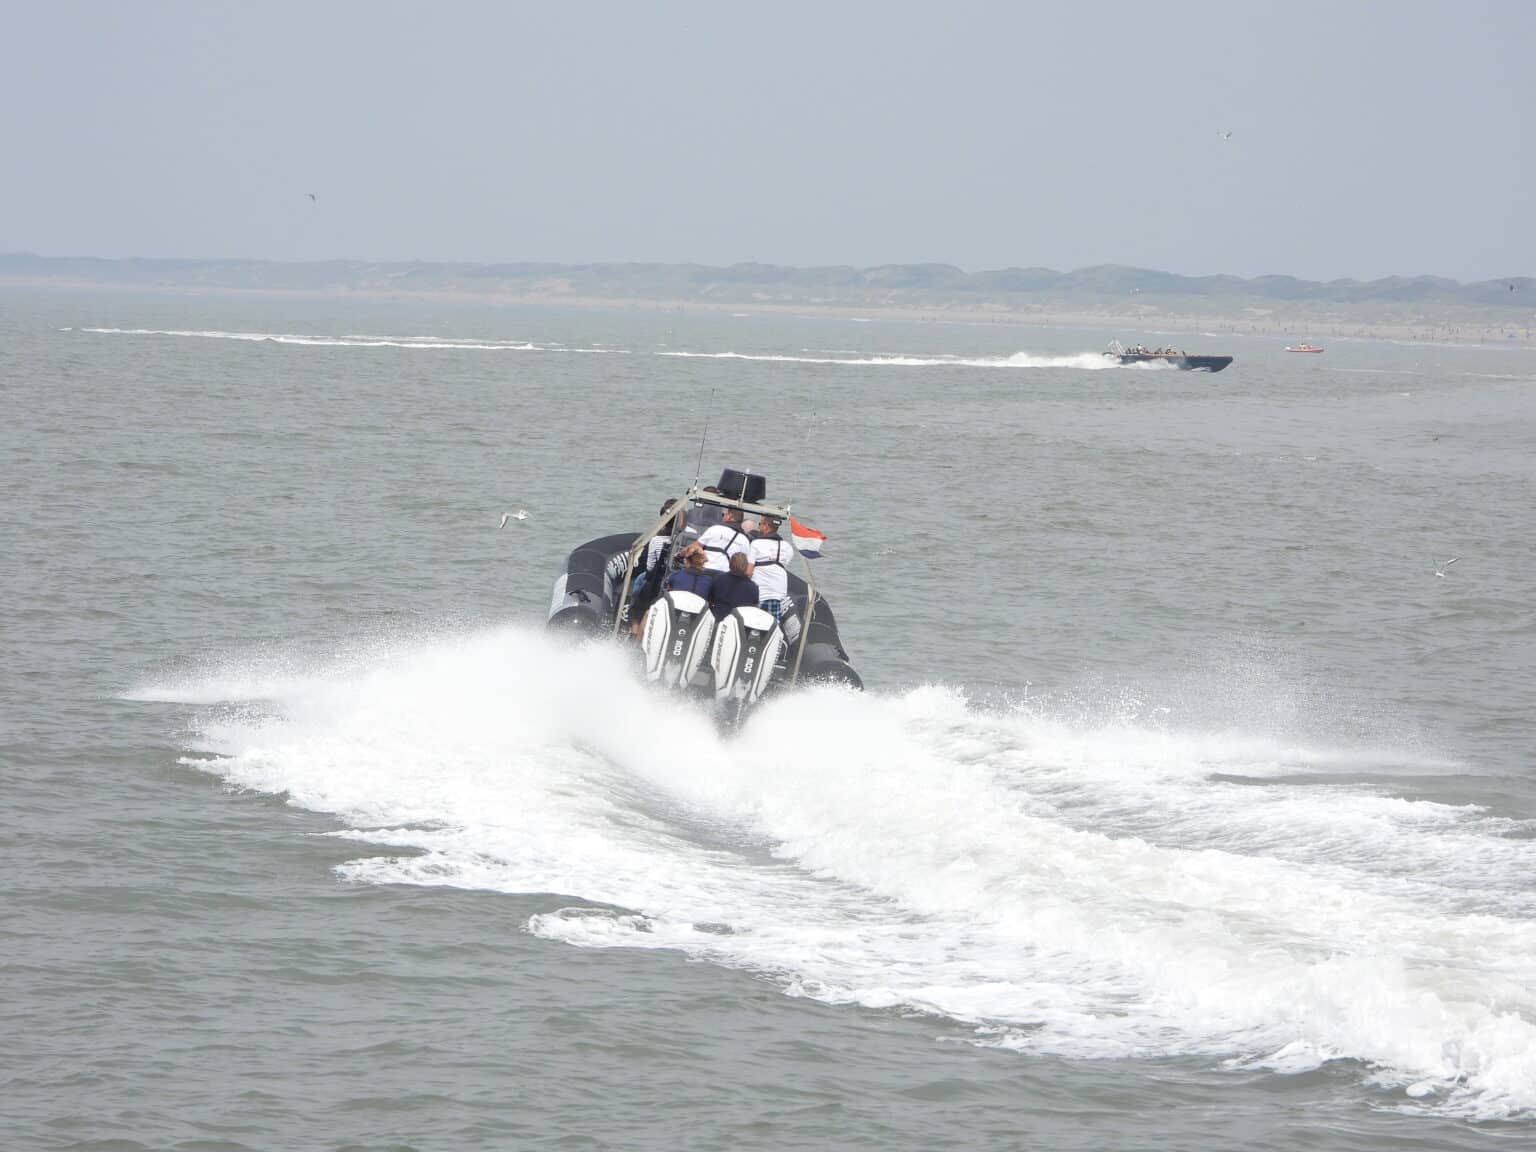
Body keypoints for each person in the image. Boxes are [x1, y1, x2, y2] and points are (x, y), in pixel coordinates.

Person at [749, 515, 793, 620]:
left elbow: (748, 572)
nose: (758, 527)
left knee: (754, 622)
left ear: (766, 526)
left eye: (760, 524)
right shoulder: (788, 547)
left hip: (761, 593)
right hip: (779, 594)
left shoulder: (756, 544)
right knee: (772, 624)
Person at [694, 506, 751, 573]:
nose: (722, 517)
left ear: (729, 516)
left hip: (705, 571)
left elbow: (695, 547)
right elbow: (746, 566)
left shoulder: (715, 529)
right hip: (726, 575)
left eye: (723, 514)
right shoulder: (745, 540)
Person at [707, 551, 759, 619]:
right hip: (738, 622)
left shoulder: (718, 579)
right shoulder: (753, 588)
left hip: (716, 619)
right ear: (746, 567)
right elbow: (752, 611)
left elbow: (709, 601)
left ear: (730, 564)